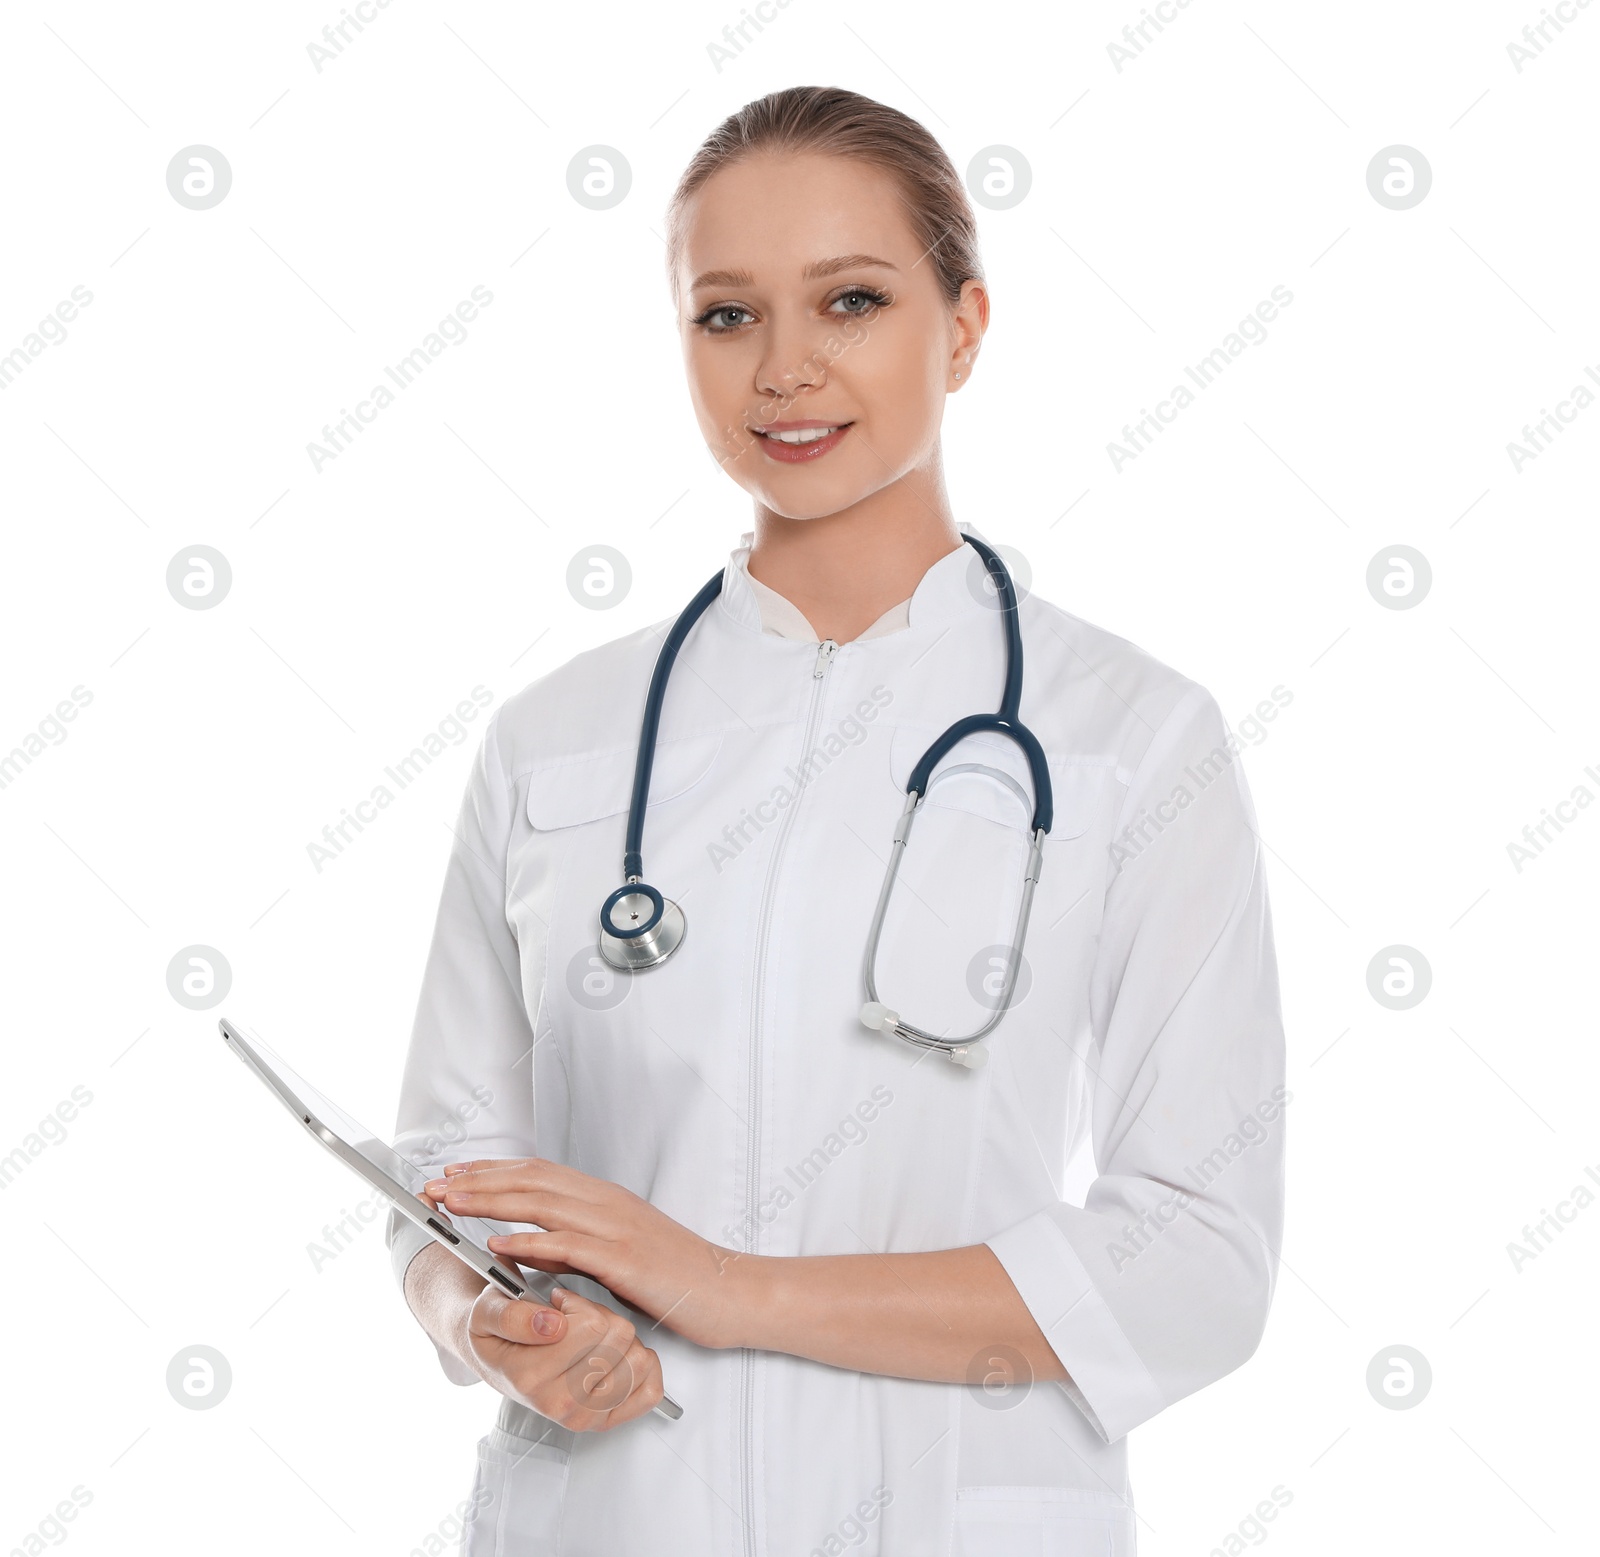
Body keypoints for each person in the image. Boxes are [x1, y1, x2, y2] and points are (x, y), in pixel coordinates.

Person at [389, 84, 1287, 1557]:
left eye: (851, 300)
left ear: (966, 327)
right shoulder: (554, 741)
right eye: (725, 315)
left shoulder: (1134, 738)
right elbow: (446, 1170)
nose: (784, 371)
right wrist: (489, 1320)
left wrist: (730, 1287)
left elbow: (1198, 1257)